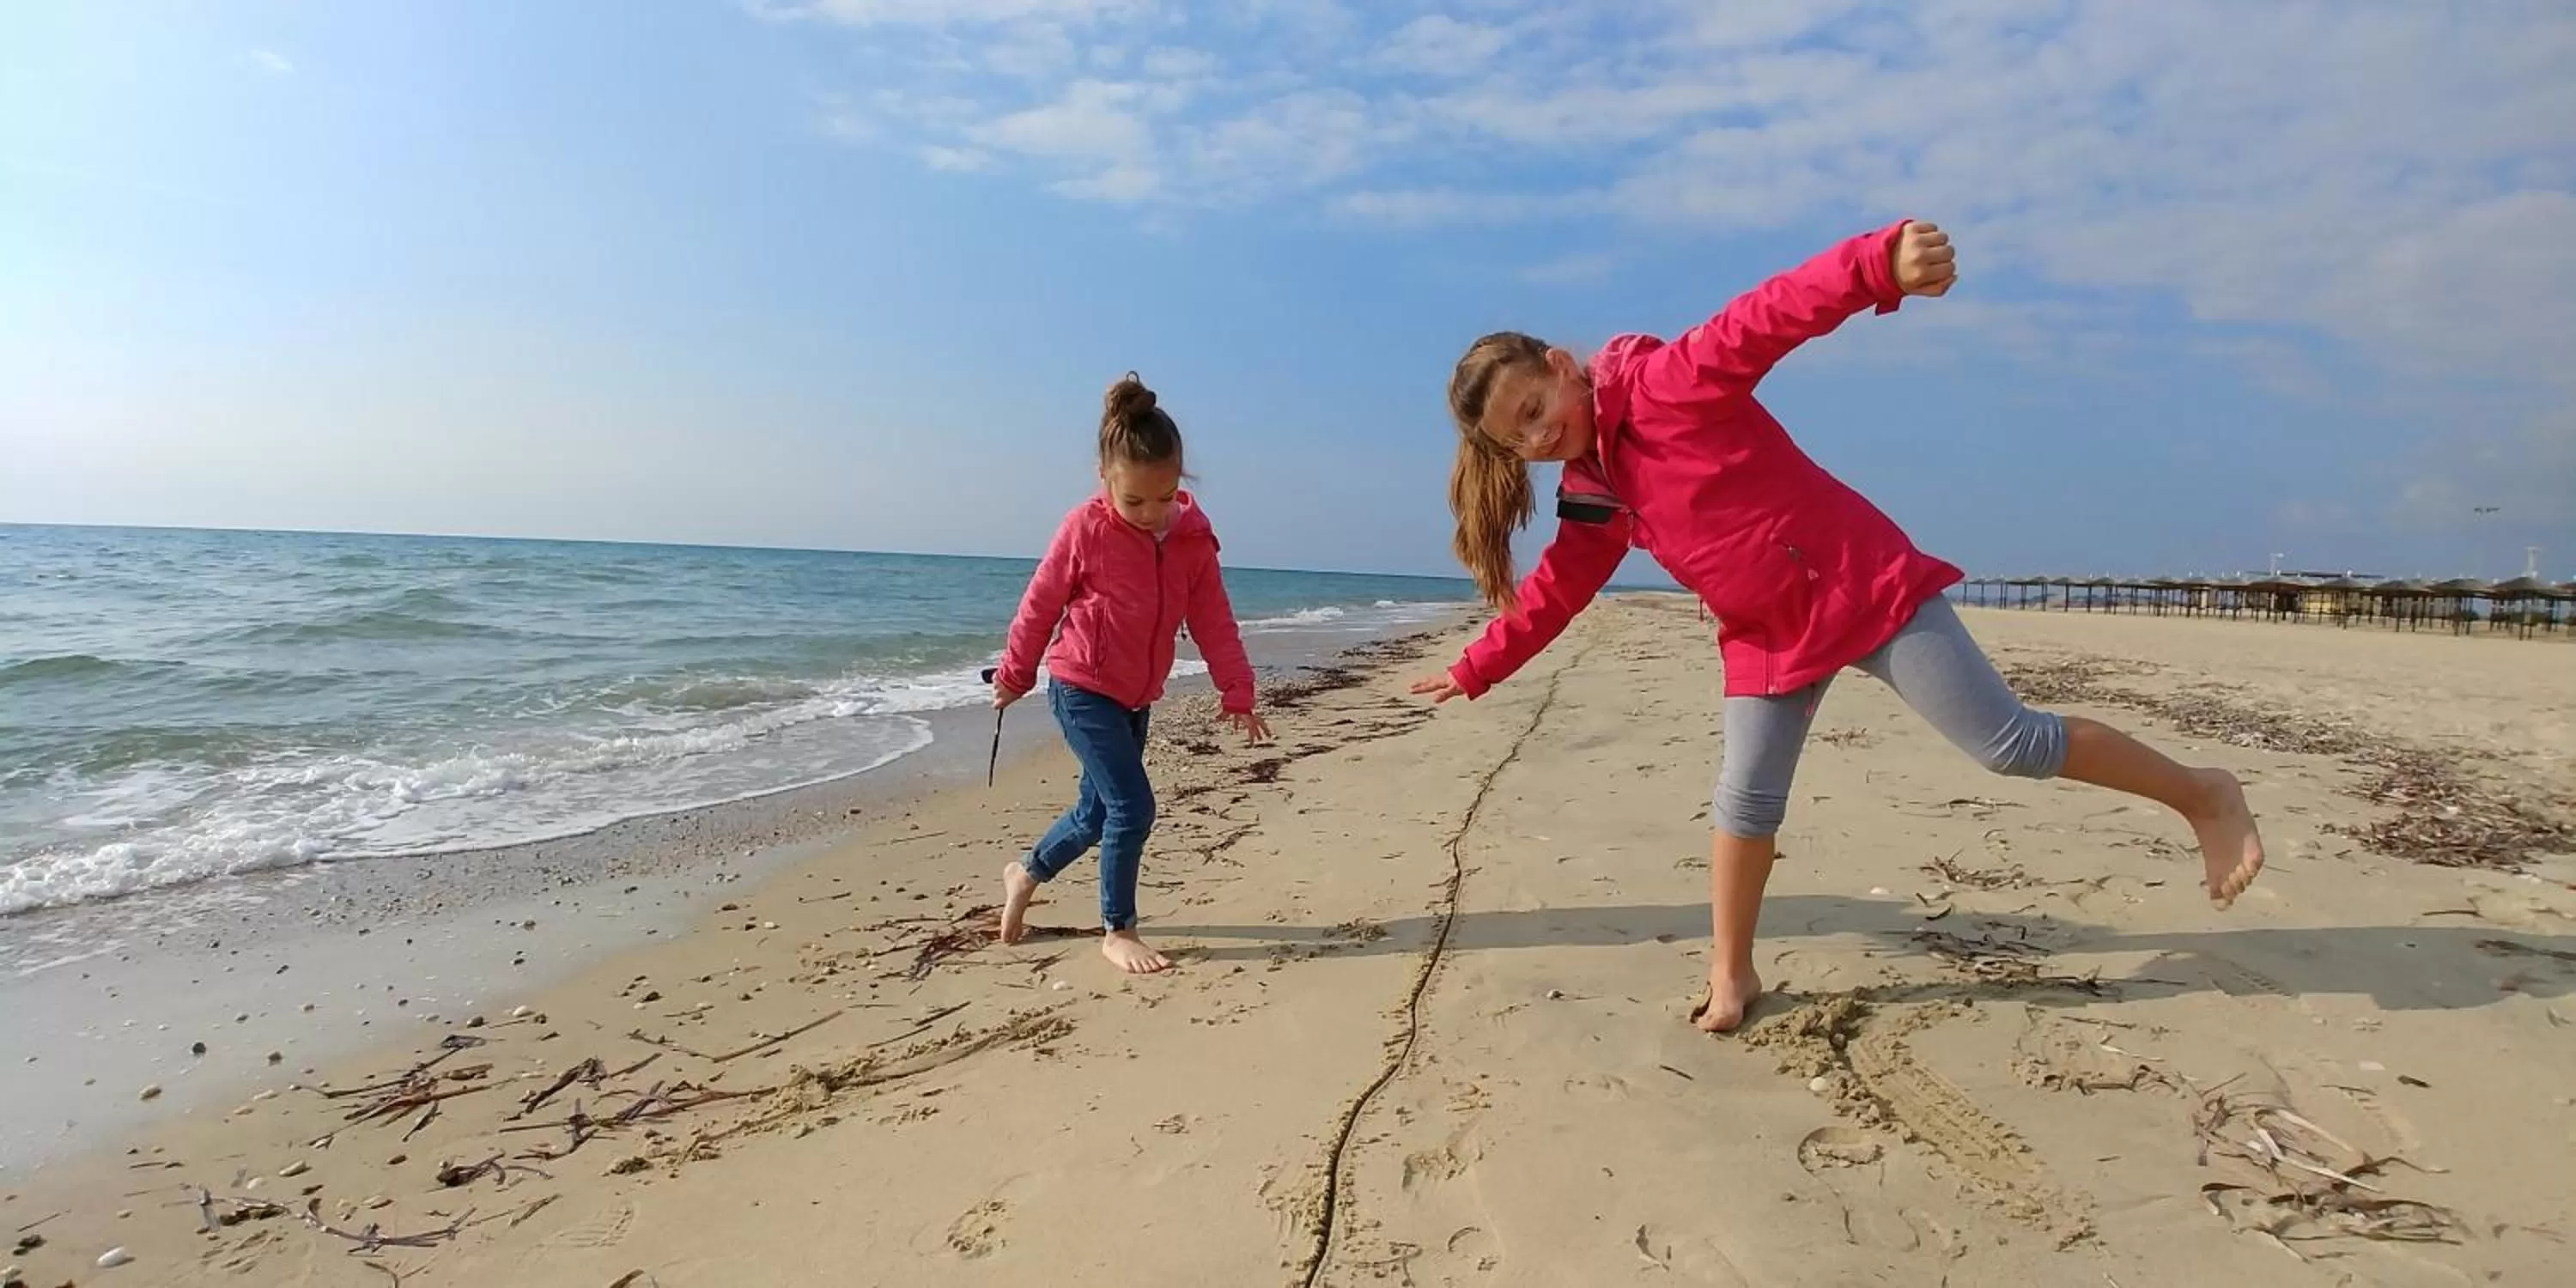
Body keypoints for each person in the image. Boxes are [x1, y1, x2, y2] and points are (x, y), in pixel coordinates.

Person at [1411, 220, 2266, 1032]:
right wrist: (1479, 665)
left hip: (1862, 588)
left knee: (2011, 746)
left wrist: (1874, 265)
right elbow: (1558, 589)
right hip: (1766, 637)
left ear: (1563, 366)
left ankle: (2203, 794)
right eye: (1519, 437)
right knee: (1745, 800)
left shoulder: (1668, 383)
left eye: (1535, 406)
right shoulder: (1594, 492)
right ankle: (1733, 970)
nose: (1539, 431)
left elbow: (1766, 317)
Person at [993, 372, 1272, 974]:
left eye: (1165, 497)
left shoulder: (1194, 542)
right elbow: (1039, 605)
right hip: (1081, 690)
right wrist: (1015, 674)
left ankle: (1026, 873)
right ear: (1105, 482)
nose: (1150, 513)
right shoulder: (1084, 531)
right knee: (1133, 808)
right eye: (1133, 501)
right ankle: (1118, 929)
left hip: (1134, 698)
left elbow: (1215, 621)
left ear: (1181, 482)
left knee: (1097, 814)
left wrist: (1238, 688)